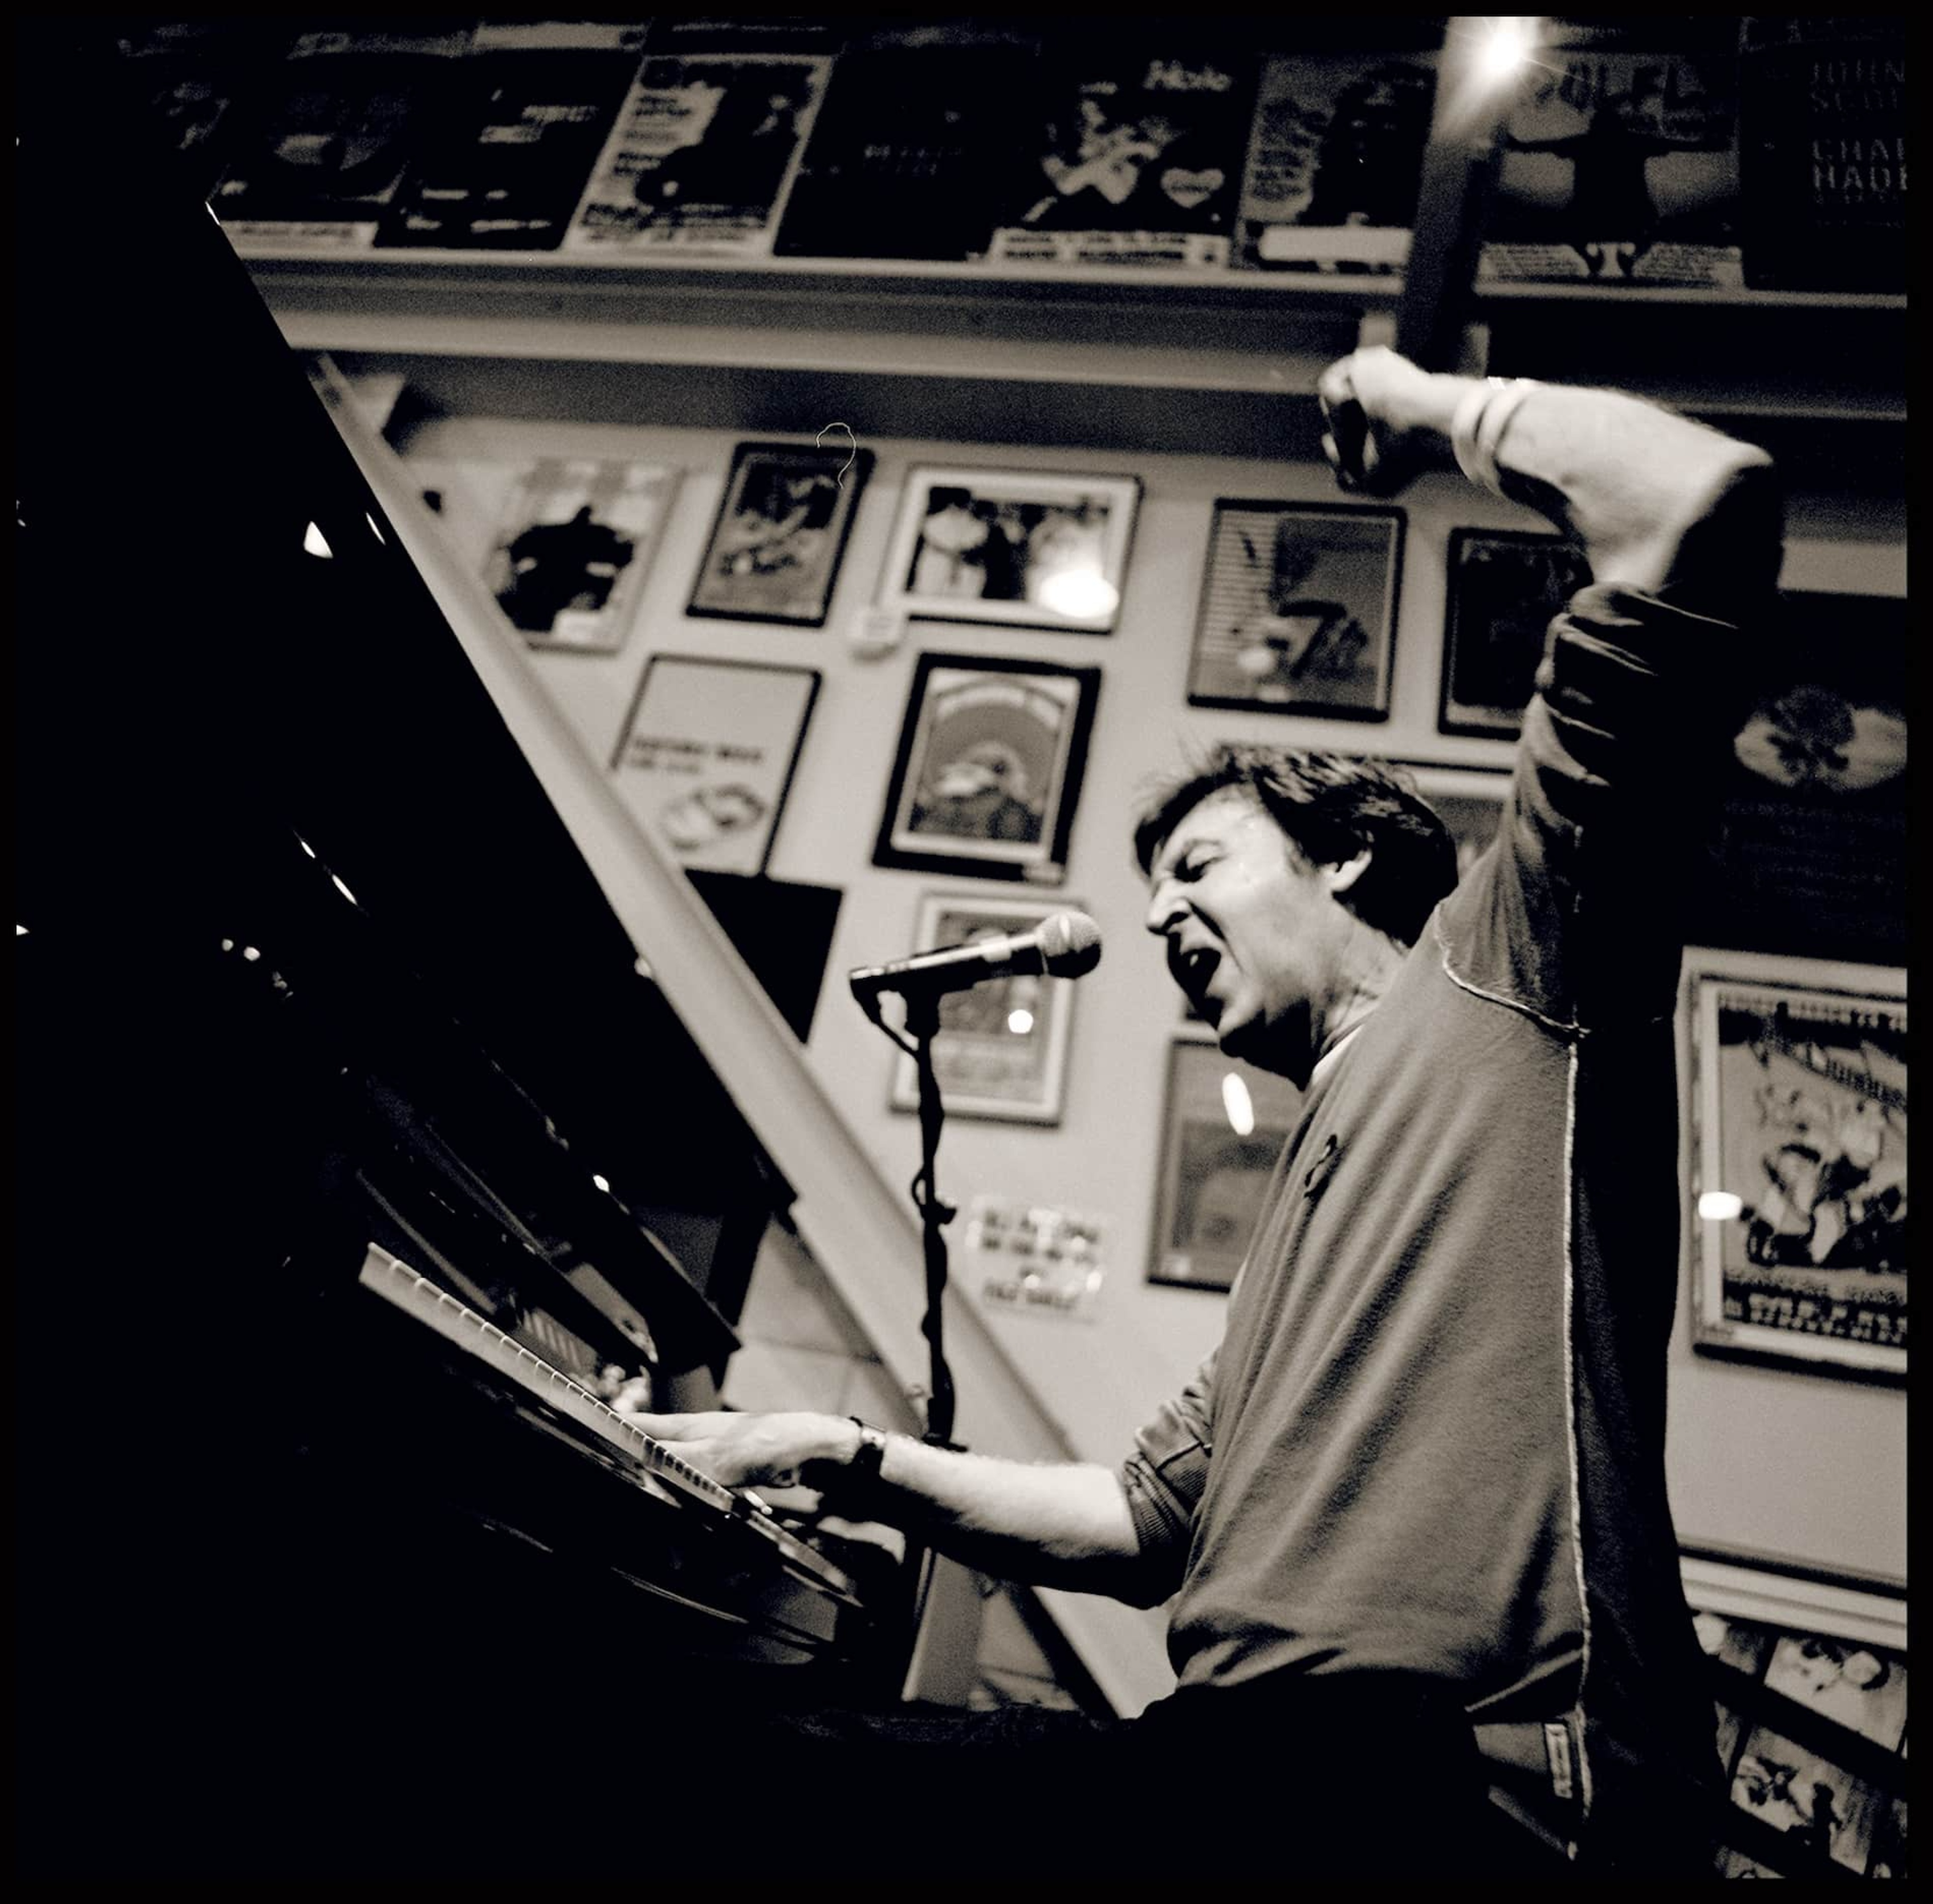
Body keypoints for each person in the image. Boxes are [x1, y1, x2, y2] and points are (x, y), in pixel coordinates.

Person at [618, 346, 1782, 1876]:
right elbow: (1134, 1520)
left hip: (1449, 1778)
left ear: (1347, 862)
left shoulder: (1515, 966)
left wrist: (1430, 403)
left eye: (1201, 868)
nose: (1160, 916)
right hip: (1245, 1768)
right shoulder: (1314, 1184)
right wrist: (813, 1446)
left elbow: (1700, 503)